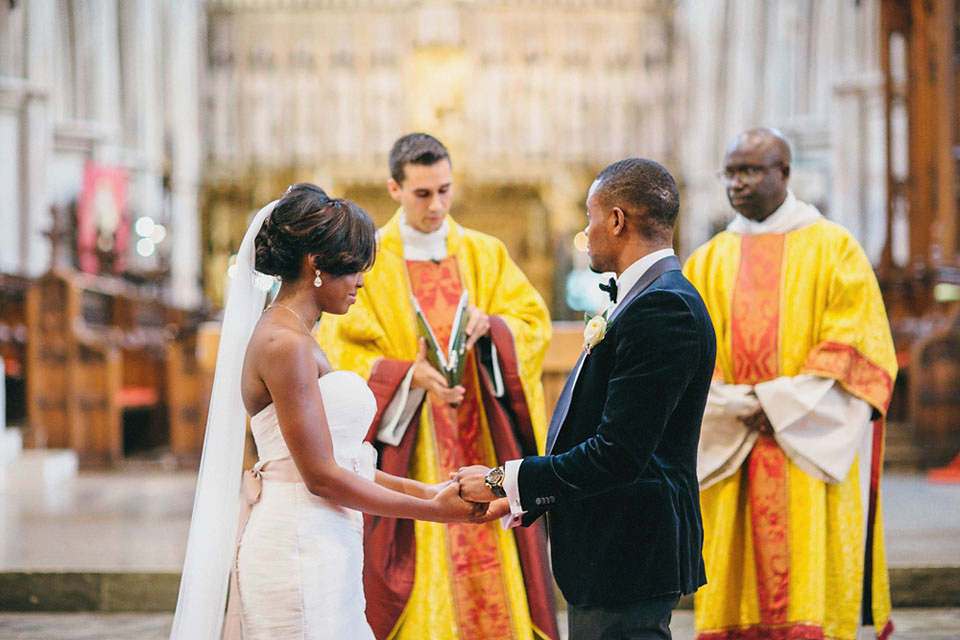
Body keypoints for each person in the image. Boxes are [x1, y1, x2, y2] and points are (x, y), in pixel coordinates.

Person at [169, 184, 480, 640]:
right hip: (297, 547)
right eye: (353, 268)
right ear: (317, 265)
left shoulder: (298, 335)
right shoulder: (285, 344)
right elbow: (321, 476)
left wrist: (433, 492)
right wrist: (436, 512)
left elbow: (345, 463)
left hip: (322, 541)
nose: (360, 281)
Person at [457, 157, 717, 640]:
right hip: (614, 549)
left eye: (590, 216)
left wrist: (502, 479)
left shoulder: (663, 308)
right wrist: (521, 498)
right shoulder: (646, 298)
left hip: (628, 550)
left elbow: (618, 454)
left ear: (617, 220)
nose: (587, 229)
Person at [316, 133, 558, 640]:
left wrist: (491, 328)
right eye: (423, 194)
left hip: (480, 437)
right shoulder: (372, 257)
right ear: (395, 189)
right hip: (415, 448)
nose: (437, 205)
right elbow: (337, 352)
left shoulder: (483, 253)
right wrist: (405, 376)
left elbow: (532, 323)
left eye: (445, 191)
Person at [681, 127, 898, 640]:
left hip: (806, 440)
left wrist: (775, 405)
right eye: (730, 172)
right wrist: (740, 403)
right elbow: (687, 349)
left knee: (806, 581)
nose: (737, 183)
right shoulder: (709, 259)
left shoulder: (834, 248)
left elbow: (855, 346)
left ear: (784, 173)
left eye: (750, 171)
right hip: (731, 439)